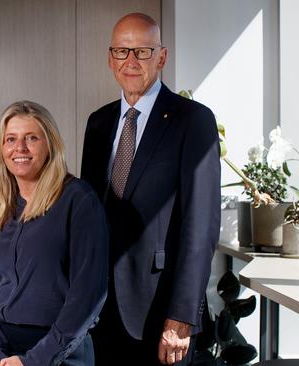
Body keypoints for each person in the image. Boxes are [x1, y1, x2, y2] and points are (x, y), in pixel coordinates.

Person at [80, 13, 221, 366]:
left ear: (161, 57)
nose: (130, 61)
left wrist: (181, 318)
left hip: (160, 312)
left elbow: (200, 227)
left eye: (142, 52)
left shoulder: (193, 120)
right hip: (99, 310)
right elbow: (89, 215)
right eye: (122, 51)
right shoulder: (98, 123)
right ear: (110, 58)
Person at [0, 101, 109, 366]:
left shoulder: (79, 200)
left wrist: (34, 360)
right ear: (1, 147)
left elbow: (88, 295)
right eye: (11, 139)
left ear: (50, 144)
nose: (19, 148)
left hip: (59, 351)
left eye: (31, 138)